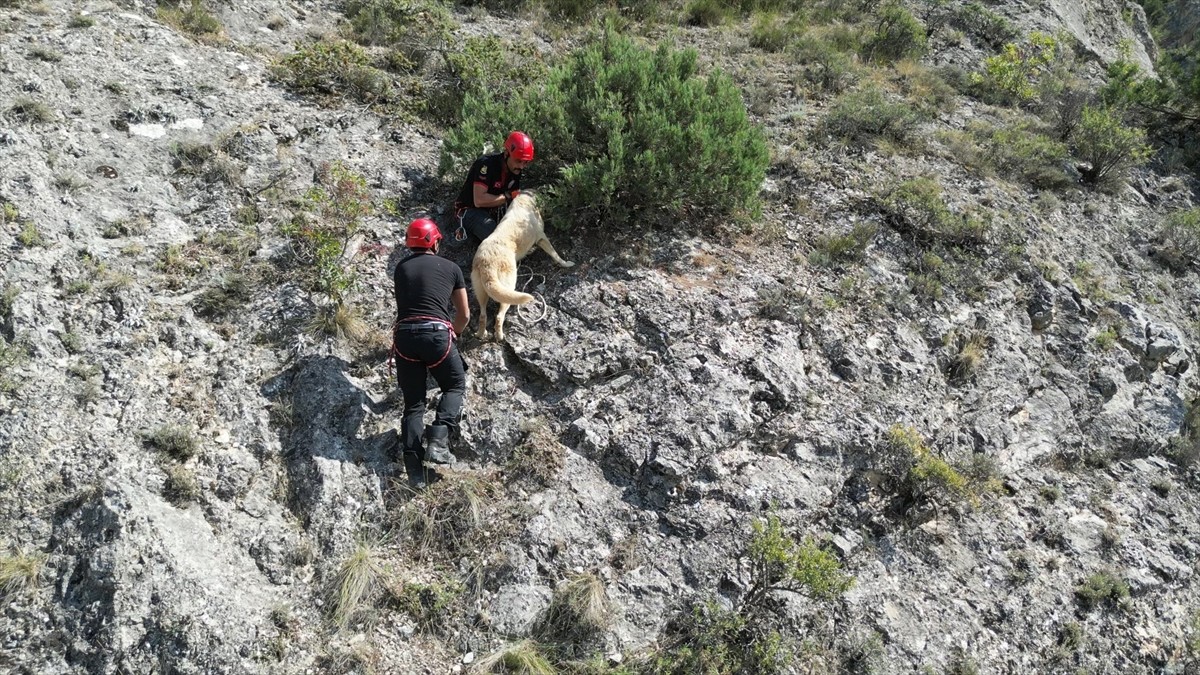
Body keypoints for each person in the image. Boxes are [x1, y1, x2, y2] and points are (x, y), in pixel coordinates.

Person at [392, 218, 470, 488]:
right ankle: (438, 439)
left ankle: (414, 471)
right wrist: (455, 335)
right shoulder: (451, 268)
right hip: (437, 335)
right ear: (434, 241)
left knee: (413, 404)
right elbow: (464, 314)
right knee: (455, 384)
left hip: (404, 337)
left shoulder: (401, 268)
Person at [453, 130, 534, 243]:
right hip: (469, 211)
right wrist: (507, 196)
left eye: (525, 162)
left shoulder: (515, 170)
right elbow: (479, 201)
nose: (521, 166)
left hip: (491, 212)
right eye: (518, 161)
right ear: (506, 154)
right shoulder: (486, 164)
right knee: (500, 241)